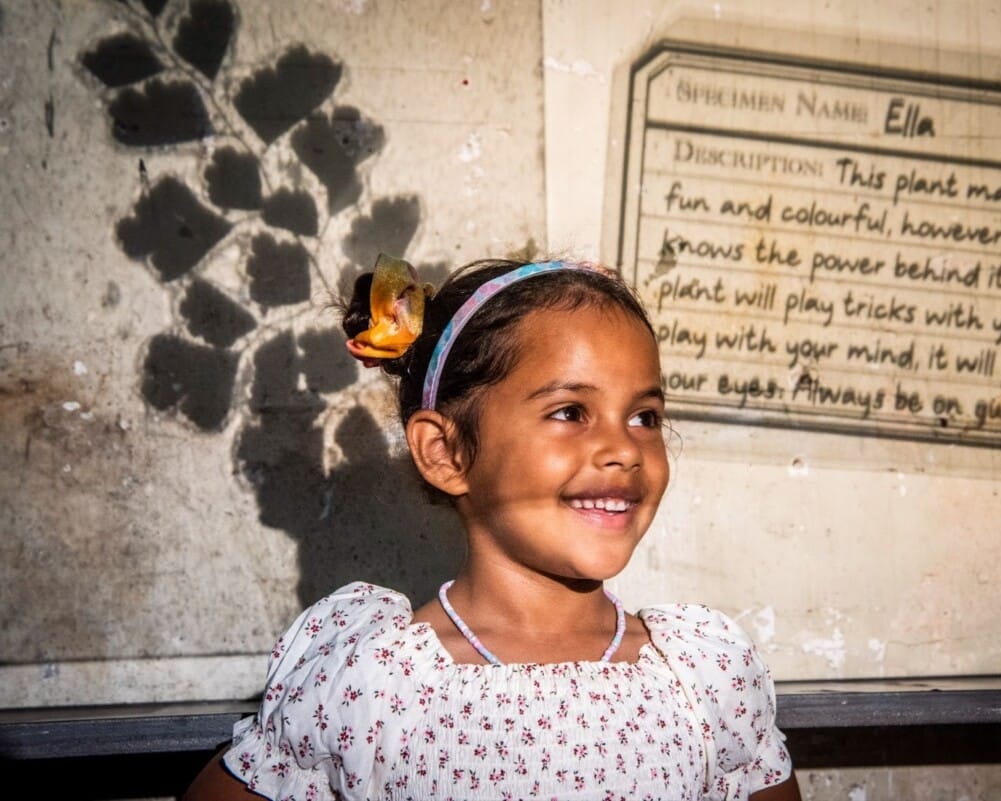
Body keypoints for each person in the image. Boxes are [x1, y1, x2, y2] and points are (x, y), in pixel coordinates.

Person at [184, 256, 801, 800]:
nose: (624, 449)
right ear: (446, 453)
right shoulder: (372, 686)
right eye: (570, 412)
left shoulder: (701, 679)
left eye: (644, 416)